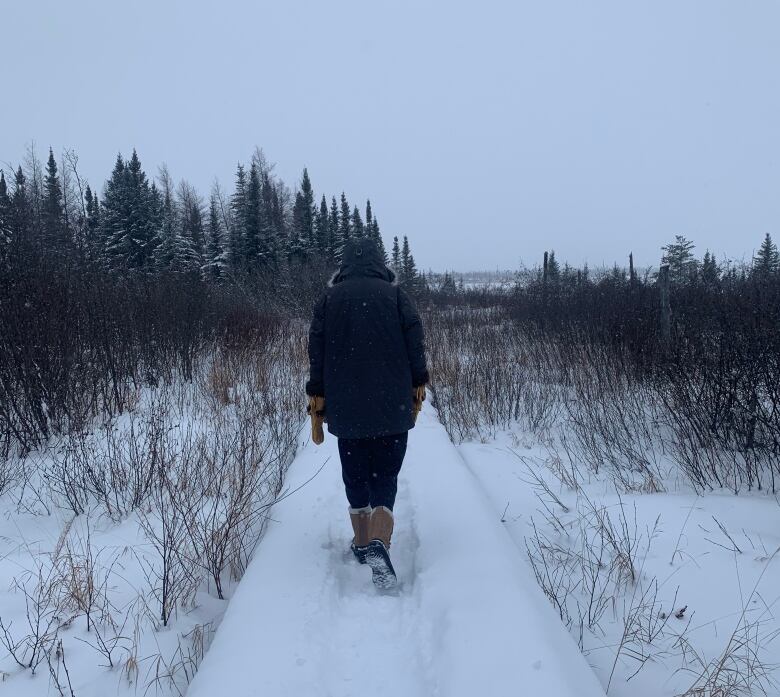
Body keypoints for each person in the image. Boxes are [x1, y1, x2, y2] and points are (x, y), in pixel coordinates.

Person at [306, 238, 429, 589]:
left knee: (355, 472)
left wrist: (317, 389)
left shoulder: (329, 299)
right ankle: (380, 540)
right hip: (392, 402)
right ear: (380, 263)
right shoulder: (394, 295)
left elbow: (316, 345)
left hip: (346, 405)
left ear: (343, 265)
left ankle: (362, 542)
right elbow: (414, 337)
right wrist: (419, 378)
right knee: (386, 473)